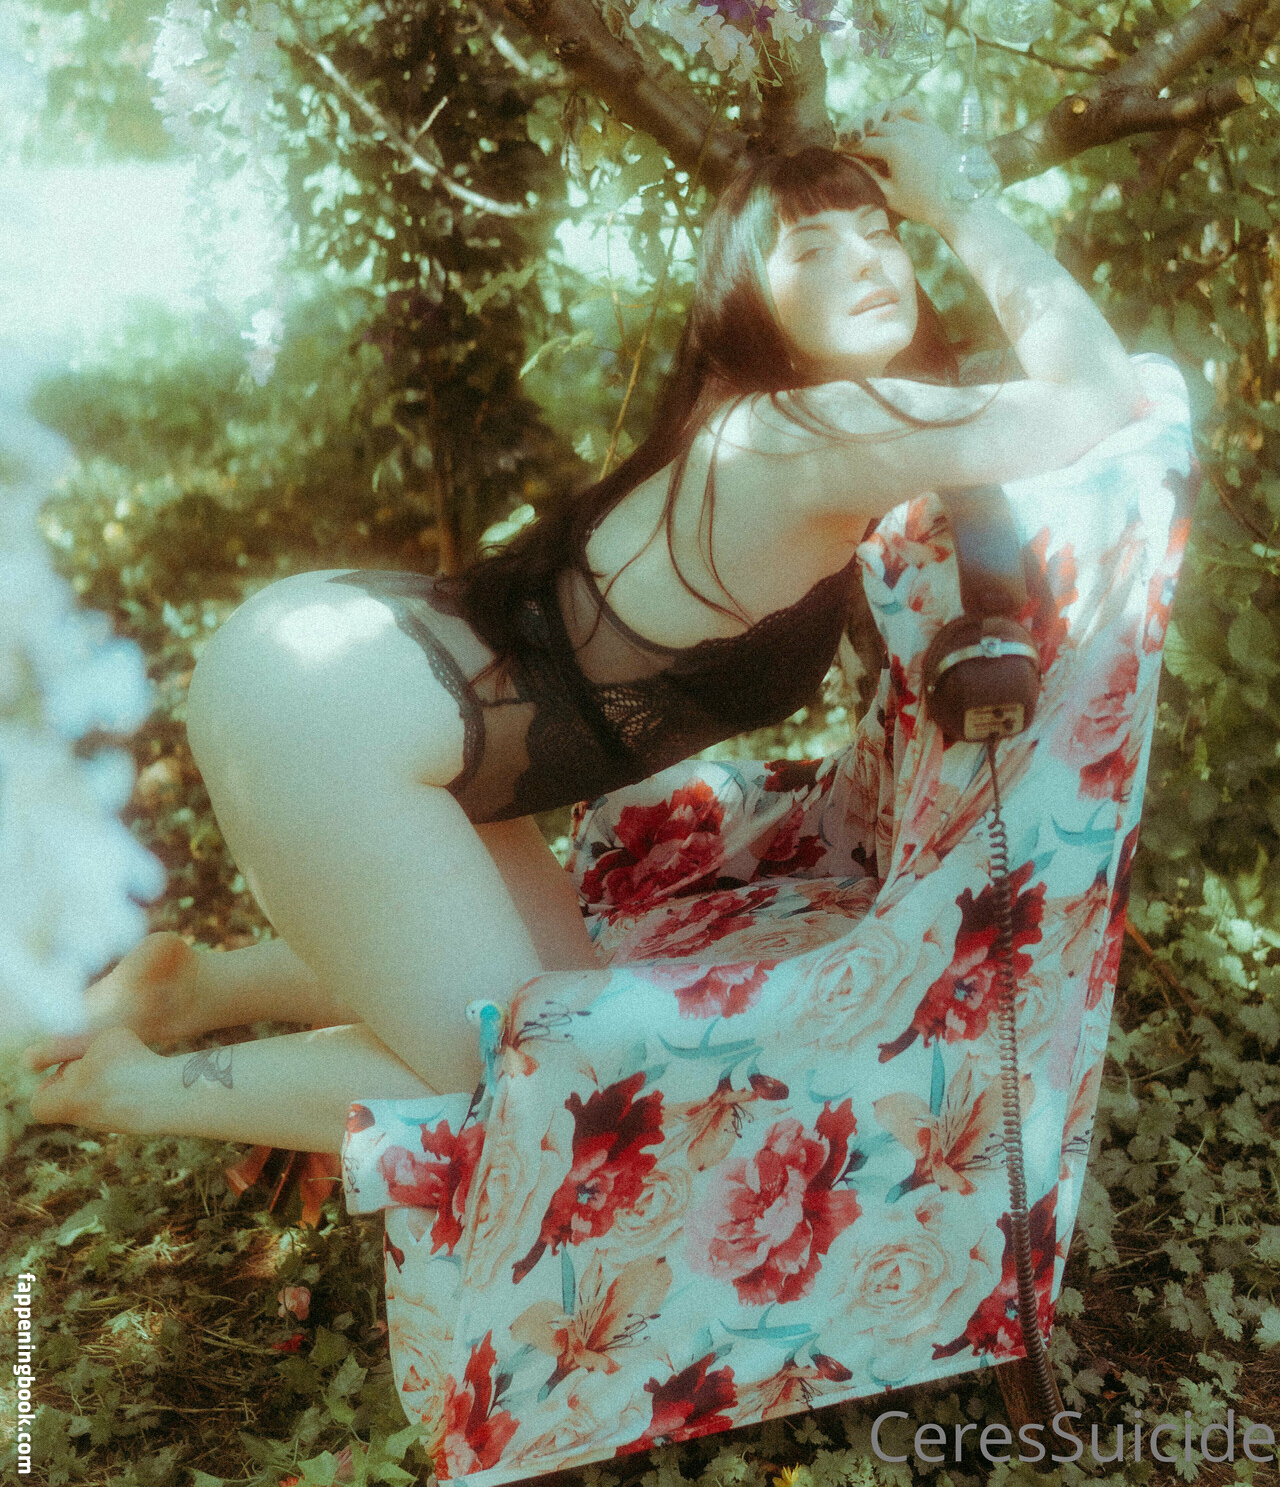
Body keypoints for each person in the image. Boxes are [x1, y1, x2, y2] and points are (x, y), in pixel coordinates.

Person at [20, 106, 1143, 1153]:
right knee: (526, 1085)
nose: (866, 261)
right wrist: (952, 201)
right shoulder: (813, 429)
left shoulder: (787, 421)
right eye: (812, 249)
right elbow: (1094, 394)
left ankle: (197, 989)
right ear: (749, 299)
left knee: (567, 994)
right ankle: (135, 1089)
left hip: (382, 684)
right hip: (333, 713)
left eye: (881, 234)